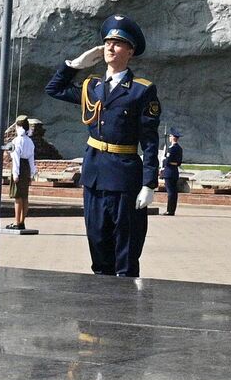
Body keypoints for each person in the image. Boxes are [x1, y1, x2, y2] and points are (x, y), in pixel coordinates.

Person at [45, 15, 161, 277]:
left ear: (130, 51)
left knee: (126, 252)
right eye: (108, 42)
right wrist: (75, 65)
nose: (110, 47)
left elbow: (150, 142)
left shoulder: (141, 91)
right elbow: (54, 88)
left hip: (124, 179)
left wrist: (148, 184)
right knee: (98, 246)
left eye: (118, 43)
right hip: (95, 176)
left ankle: (125, 309)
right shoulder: (92, 87)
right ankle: (100, 311)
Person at [6, 116, 38, 234]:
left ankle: (16, 222)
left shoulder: (17, 140)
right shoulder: (30, 141)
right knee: (25, 196)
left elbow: (15, 158)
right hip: (27, 168)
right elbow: (31, 158)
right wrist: (32, 173)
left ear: (18, 126)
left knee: (17, 196)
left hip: (19, 167)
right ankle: (22, 221)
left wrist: (15, 173)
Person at [160, 129, 184, 217]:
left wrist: (164, 159)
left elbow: (167, 161)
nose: (169, 138)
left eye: (170, 136)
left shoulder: (171, 149)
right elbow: (179, 162)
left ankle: (169, 210)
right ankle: (171, 210)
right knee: (174, 192)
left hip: (169, 172)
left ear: (173, 138)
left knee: (170, 192)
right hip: (174, 172)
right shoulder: (179, 148)